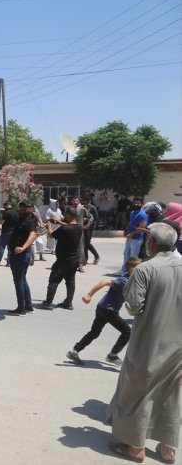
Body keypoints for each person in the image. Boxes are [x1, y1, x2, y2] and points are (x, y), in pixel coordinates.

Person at [107, 222, 181, 464]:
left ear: (153, 243)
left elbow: (133, 307)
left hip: (149, 342)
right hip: (178, 345)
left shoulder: (145, 269)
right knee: (172, 394)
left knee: (138, 392)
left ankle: (136, 447)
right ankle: (169, 448)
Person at [66, 257, 141, 366]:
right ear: (132, 269)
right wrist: (89, 294)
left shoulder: (130, 278)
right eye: (139, 268)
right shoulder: (124, 280)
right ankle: (113, 355)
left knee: (94, 333)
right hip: (108, 310)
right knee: (127, 332)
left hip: (102, 307)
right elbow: (104, 282)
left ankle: (74, 351)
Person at [38, 207, 84, 311]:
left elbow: (50, 235)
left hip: (63, 260)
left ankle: (48, 303)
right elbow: (69, 226)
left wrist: (49, 225)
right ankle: (68, 302)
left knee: (53, 280)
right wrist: (59, 222)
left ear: (68, 215)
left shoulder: (65, 229)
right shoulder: (79, 228)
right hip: (73, 260)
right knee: (70, 281)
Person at [7, 200, 37, 315]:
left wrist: (23, 248)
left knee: (18, 280)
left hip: (21, 254)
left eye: (26, 207)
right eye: (22, 207)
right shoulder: (21, 217)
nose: (23, 209)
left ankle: (21, 308)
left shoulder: (30, 221)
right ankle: (28, 306)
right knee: (22, 279)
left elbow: (32, 235)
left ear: (31, 209)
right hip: (18, 253)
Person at [111, 197, 148, 277]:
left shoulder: (143, 215)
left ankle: (131, 273)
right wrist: (125, 231)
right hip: (129, 237)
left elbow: (142, 228)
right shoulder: (132, 212)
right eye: (135, 202)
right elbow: (130, 223)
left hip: (137, 239)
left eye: (138, 203)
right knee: (126, 254)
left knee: (133, 256)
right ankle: (123, 270)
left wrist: (132, 234)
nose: (136, 204)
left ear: (142, 204)